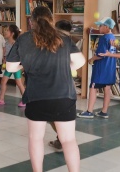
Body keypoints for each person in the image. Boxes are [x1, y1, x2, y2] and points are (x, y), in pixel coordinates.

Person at [6, 6, 85, 172]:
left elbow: (11, 68)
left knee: (36, 139)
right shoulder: (63, 37)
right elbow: (80, 62)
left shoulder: (24, 39)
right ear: (51, 19)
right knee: (69, 140)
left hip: (37, 96)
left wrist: (25, 64)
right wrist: (64, 65)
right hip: (64, 95)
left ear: (31, 21)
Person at [77, 17, 117, 119]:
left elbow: (101, 55)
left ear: (106, 27)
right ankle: (104, 112)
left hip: (101, 69)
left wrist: (91, 59)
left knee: (93, 88)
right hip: (110, 68)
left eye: (100, 25)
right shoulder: (113, 37)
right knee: (107, 89)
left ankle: (89, 111)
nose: (98, 27)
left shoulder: (104, 38)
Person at [48, 19, 73, 151]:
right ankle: (63, 139)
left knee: (52, 115)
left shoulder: (55, 42)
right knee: (62, 115)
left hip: (54, 84)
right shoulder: (72, 42)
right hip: (68, 85)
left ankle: (61, 139)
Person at [0, 24, 25, 107]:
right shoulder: (6, 43)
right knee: (3, 81)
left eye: (7, 30)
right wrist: (4, 61)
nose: (5, 32)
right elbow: (6, 54)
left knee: (19, 83)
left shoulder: (17, 44)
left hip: (15, 66)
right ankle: (1, 99)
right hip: (9, 66)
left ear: (12, 33)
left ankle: (25, 100)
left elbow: (21, 55)